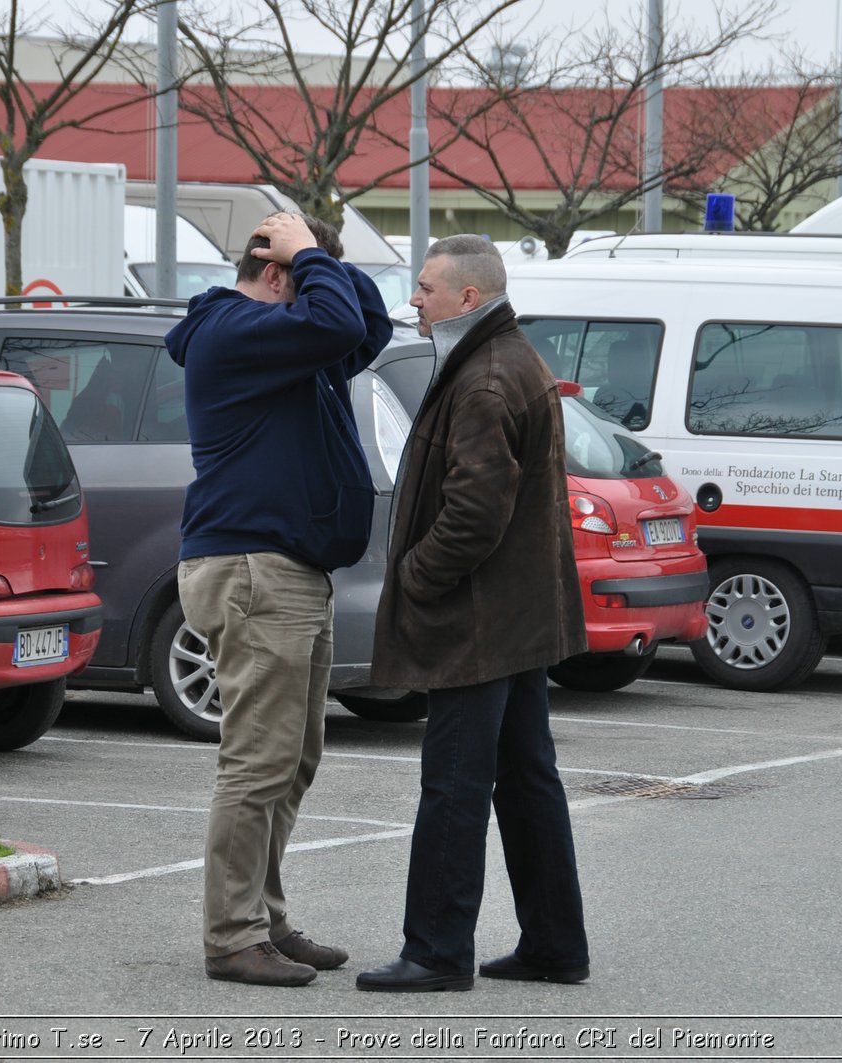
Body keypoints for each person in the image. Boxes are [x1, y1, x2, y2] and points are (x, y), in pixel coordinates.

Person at [355, 234, 591, 993]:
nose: (413, 300)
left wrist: (416, 575)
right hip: (518, 619)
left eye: (425, 288)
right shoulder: (508, 357)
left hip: (480, 624)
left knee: (455, 787)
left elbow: (473, 515)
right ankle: (554, 944)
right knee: (526, 777)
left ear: (467, 298)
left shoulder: (485, 376)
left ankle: (436, 950)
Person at [166, 212, 393, 987]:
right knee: (256, 763)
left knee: (292, 760)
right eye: (304, 271)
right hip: (253, 569)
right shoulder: (234, 332)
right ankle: (232, 935)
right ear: (275, 277)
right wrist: (305, 258)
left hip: (289, 569)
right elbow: (334, 318)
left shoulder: (285, 339)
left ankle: (263, 918)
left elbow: (365, 327)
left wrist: (320, 254)